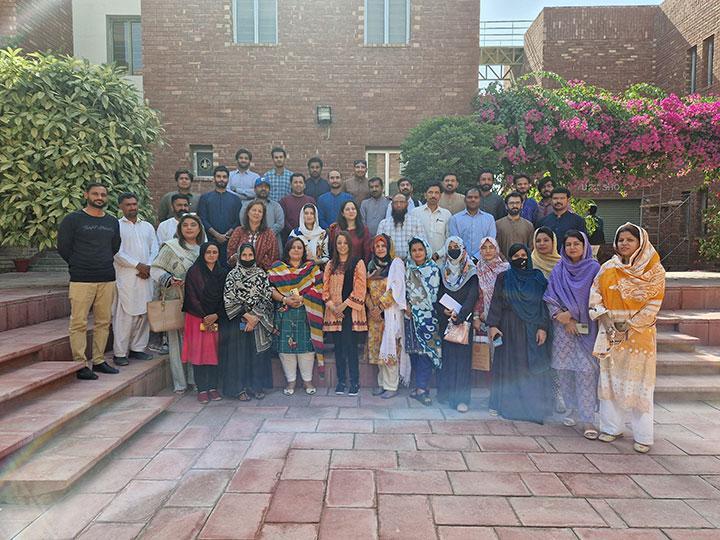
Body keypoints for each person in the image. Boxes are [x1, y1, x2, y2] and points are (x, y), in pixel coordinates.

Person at [589, 223, 665, 454]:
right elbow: (595, 295)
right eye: (621, 239)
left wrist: (629, 325)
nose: (624, 243)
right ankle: (611, 428)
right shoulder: (607, 268)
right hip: (610, 331)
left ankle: (643, 436)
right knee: (610, 382)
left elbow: (654, 304)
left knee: (639, 384)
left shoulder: (654, 270)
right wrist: (606, 319)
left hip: (639, 336)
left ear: (640, 242)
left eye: (629, 240)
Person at [57, 182, 121, 380]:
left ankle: (99, 360)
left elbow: (115, 246)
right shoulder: (73, 220)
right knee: (79, 322)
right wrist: (78, 264)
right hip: (81, 279)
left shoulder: (112, 221)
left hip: (107, 277)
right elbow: (63, 247)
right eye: (95, 193)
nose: (99, 197)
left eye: (103, 194)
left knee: (103, 321)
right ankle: (80, 363)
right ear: (86, 195)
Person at [487, 243, 553, 423]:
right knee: (510, 367)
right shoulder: (504, 277)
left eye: (524, 255)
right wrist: (493, 325)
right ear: (510, 259)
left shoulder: (538, 278)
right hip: (508, 328)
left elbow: (543, 304)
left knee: (531, 368)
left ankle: (532, 407)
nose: (520, 259)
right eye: (515, 256)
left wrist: (543, 327)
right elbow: (497, 302)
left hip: (532, 329)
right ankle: (509, 406)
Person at [545, 231, 601, 438]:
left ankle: (588, 419)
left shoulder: (595, 269)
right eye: (568, 244)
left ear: (584, 245)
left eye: (576, 244)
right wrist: (562, 316)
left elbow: (598, 298)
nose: (572, 248)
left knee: (586, 372)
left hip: (586, 327)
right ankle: (570, 408)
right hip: (563, 329)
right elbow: (550, 296)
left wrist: (574, 315)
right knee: (564, 370)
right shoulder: (559, 269)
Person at [150, 213, 204, 393]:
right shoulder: (170, 248)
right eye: (185, 225)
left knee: (196, 341)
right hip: (176, 300)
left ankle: (195, 380)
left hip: (198, 303)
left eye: (193, 225)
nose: (189, 227)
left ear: (199, 229)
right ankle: (180, 383)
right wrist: (169, 279)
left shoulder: (204, 249)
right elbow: (155, 269)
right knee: (176, 342)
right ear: (179, 229)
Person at [268, 238, 324, 395]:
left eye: (299, 247)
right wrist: (285, 299)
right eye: (293, 247)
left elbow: (320, 288)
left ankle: (307, 381)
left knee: (306, 347)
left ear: (303, 251)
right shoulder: (277, 268)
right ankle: (290, 381)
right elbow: (269, 288)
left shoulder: (311, 268)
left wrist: (303, 298)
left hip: (306, 313)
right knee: (286, 349)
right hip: (285, 313)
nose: (296, 250)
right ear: (287, 250)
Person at [221, 243, 275, 401]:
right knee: (240, 355)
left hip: (258, 322)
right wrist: (247, 316)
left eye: (250, 255)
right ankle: (240, 389)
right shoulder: (233, 275)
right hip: (239, 320)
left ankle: (256, 387)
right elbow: (229, 299)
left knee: (256, 355)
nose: (247, 258)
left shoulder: (260, 273)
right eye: (244, 255)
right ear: (239, 256)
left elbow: (267, 296)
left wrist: (256, 317)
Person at [112, 193, 158, 366]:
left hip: (146, 274)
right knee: (125, 315)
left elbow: (155, 248)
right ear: (121, 207)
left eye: (134, 204)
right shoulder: (116, 226)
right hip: (127, 276)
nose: (132, 207)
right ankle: (120, 353)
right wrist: (138, 265)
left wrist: (148, 265)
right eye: (128, 205)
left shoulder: (147, 226)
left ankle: (138, 348)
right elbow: (116, 252)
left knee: (143, 314)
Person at [436, 237, 479, 413]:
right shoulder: (442, 270)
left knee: (462, 360)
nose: (454, 250)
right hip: (446, 320)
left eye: (457, 247)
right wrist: (444, 310)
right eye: (450, 247)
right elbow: (438, 293)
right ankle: (446, 394)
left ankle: (462, 399)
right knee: (447, 358)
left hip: (463, 321)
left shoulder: (471, 270)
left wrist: (460, 315)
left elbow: (472, 295)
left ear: (463, 248)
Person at [323, 231, 368, 396]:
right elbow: (325, 288)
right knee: (339, 347)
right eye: (339, 243)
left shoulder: (357, 263)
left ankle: (354, 381)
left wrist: (343, 306)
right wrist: (332, 306)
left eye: (345, 243)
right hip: (334, 312)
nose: (342, 246)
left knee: (351, 348)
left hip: (350, 312)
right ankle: (341, 381)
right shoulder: (330, 264)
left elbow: (360, 289)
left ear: (350, 245)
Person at [181, 241, 227, 404]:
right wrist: (204, 315)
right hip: (196, 318)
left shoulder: (222, 273)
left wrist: (215, 315)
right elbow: (191, 296)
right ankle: (202, 389)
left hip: (216, 318)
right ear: (202, 254)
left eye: (215, 252)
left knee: (213, 353)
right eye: (208, 252)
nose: (212, 255)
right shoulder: (194, 272)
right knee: (199, 354)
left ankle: (213, 388)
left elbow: (225, 297)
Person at [366, 235, 406, 399]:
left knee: (390, 347)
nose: (380, 248)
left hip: (389, 314)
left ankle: (392, 385)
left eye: (383, 245)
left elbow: (397, 288)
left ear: (388, 247)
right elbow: (365, 291)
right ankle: (382, 383)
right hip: (375, 316)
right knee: (377, 348)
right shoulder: (371, 266)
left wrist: (380, 306)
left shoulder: (395, 264)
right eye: (377, 246)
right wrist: (372, 308)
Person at [405, 237, 443, 406]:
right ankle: (419, 387)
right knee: (414, 351)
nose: (417, 253)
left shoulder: (434, 269)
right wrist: (407, 305)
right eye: (414, 250)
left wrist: (418, 307)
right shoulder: (408, 269)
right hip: (411, 317)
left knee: (426, 353)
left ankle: (422, 388)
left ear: (426, 250)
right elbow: (404, 291)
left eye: (420, 250)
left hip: (428, 318)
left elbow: (434, 295)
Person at [472, 237, 509, 362]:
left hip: (502, 317)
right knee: (483, 357)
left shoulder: (505, 268)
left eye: (491, 247)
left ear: (497, 249)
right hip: (483, 318)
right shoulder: (477, 269)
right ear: (480, 251)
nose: (487, 251)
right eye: (484, 248)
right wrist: (476, 317)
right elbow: (477, 296)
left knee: (501, 353)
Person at [196, 165, 242, 266]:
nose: (221, 179)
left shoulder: (236, 199)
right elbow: (202, 218)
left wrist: (226, 235)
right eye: (219, 176)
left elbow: (238, 220)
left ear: (228, 179)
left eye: (224, 177)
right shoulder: (205, 198)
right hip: (210, 240)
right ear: (214, 178)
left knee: (228, 268)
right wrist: (217, 235)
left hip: (230, 242)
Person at [227, 200, 279, 270]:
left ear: (263, 215)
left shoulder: (269, 234)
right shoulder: (238, 231)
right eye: (254, 210)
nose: (256, 213)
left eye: (260, 211)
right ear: (248, 212)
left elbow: (273, 256)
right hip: (239, 273)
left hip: (262, 273)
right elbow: (230, 253)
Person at [448, 187, 497, 260]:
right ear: (465, 199)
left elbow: (491, 241)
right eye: (470, 197)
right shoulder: (455, 219)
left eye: (476, 197)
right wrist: (466, 259)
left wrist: (476, 258)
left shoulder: (489, 219)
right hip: (461, 261)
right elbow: (455, 243)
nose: (473, 200)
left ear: (480, 199)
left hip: (484, 262)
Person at [377, 193, 427, 260]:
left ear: (407, 204)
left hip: (412, 265)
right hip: (390, 265)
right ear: (391, 205)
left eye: (402, 202)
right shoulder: (383, 224)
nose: (398, 205)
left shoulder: (416, 222)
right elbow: (378, 247)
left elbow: (424, 245)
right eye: (396, 203)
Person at [239, 177, 285, 247]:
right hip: (250, 244)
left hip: (271, 243)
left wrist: (265, 235)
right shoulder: (246, 205)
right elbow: (243, 222)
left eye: (266, 187)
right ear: (254, 189)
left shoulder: (276, 206)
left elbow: (280, 224)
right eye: (260, 186)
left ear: (269, 189)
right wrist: (255, 234)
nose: (263, 189)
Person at [412, 183, 451, 262]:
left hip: (440, 261)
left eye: (436, 193)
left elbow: (449, 239)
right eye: (430, 192)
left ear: (440, 195)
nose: (433, 195)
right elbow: (412, 237)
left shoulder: (446, 214)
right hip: (419, 260)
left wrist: (438, 254)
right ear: (425, 195)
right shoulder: (415, 213)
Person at [495, 192, 534, 258]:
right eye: (511, 203)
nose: (514, 206)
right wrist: (504, 261)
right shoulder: (497, 224)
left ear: (522, 205)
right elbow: (496, 246)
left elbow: (531, 247)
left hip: (523, 263)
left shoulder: (529, 225)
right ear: (506, 206)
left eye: (517, 203)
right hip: (503, 264)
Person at [280, 173, 315, 241]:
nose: (298, 184)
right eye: (295, 182)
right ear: (291, 185)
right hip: (289, 237)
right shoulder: (284, 201)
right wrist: (295, 232)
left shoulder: (311, 200)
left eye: (300, 182)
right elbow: (283, 220)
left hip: (308, 237)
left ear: (304, 185)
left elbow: (315, 218)